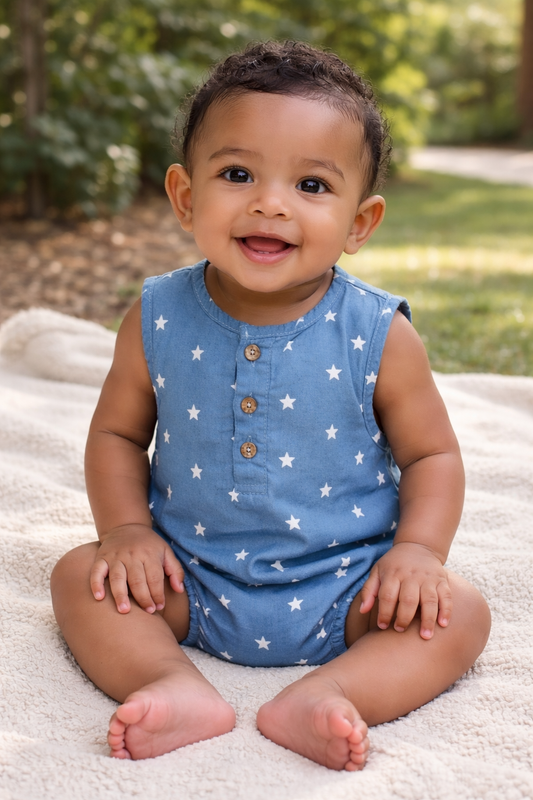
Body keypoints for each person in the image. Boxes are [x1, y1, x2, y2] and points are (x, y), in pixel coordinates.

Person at [50, 40, 491, 772]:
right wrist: (127, 531)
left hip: (348, 585)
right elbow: (117, 436)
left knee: (461, 613)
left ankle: (333, 693)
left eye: (312, 186)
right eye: (236, 173)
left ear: (360, 222)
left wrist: (416, 554)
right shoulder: (156, 315)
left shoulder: (379, 333)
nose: (270, 202)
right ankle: (172, 682)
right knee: (76, 575)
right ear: (186, 197)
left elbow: (431, 454)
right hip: (185, 576)